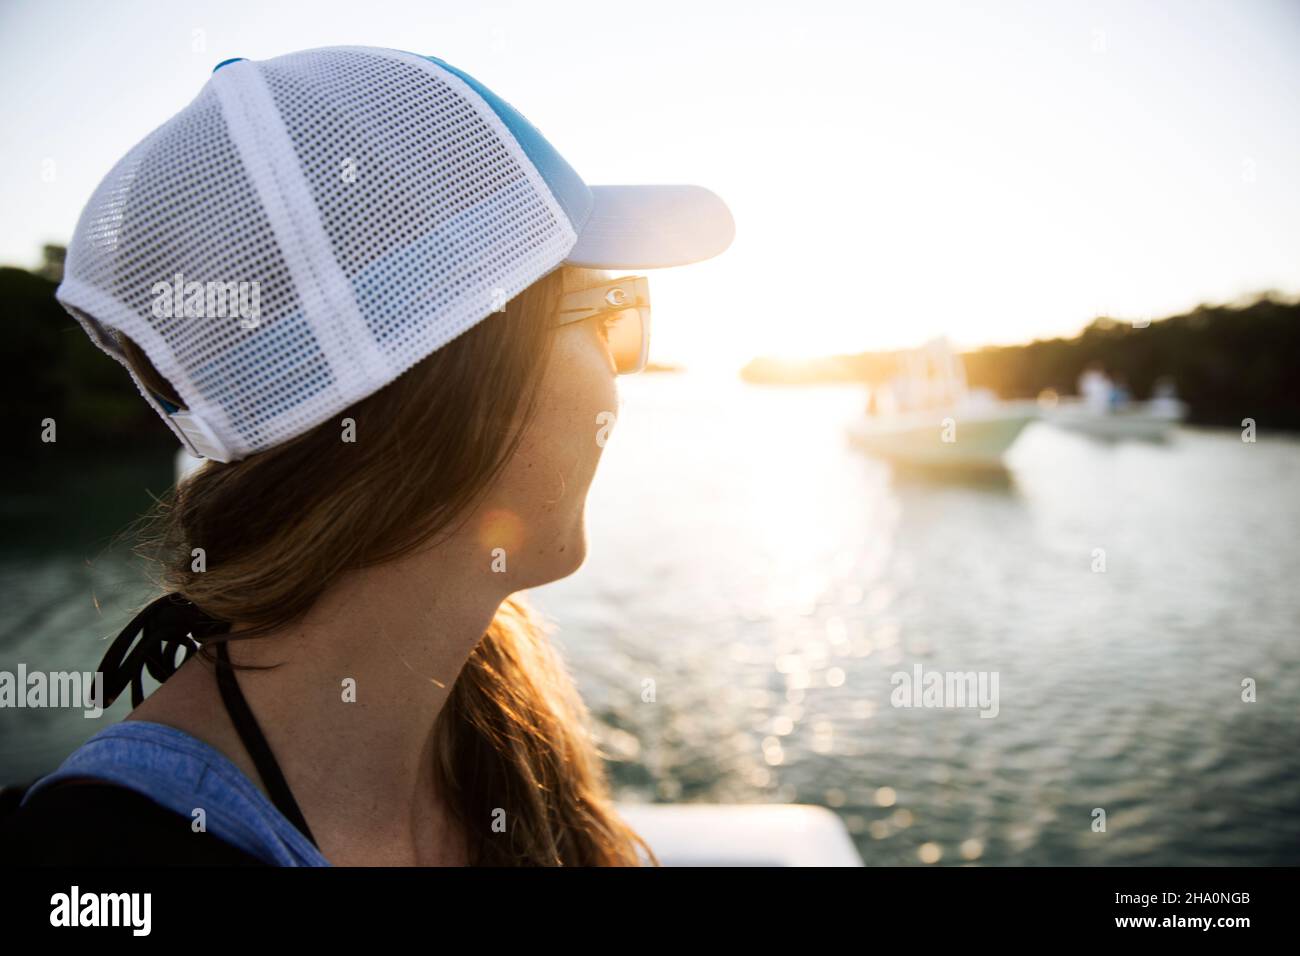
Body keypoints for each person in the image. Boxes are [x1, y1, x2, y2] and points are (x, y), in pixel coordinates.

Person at [0, 46, 734, 866]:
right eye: (604, 315)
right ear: (466, 386)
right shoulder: (107, 862)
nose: (615, 382)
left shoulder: (493, 716)